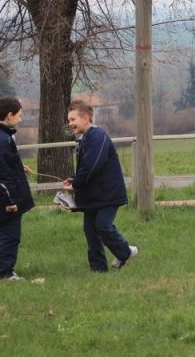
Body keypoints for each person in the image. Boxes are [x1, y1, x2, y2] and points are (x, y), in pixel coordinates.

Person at [62, 100, 138, 272]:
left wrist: (75, 184)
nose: (70, 124)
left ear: (86, 118)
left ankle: (125, 252)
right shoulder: (86, 139)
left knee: (103, 226)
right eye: (69, 120)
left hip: (108, 194)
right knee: (91, 232)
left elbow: (92, 167)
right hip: (94, 195)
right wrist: (73, 179)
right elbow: (85, 169)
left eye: (73, 119)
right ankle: (98, 270)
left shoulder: (98, 137)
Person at [0, 97, 34, 281]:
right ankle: (5, 273)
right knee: (10, 236)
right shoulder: (1, 139)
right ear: (9, 115)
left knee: (6, 234)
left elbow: (2, 164)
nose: (20, 118)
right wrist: (10, 201)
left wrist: (18, 167)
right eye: (19, 115)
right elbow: (0, 174)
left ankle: (6, 270)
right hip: (3, 199)